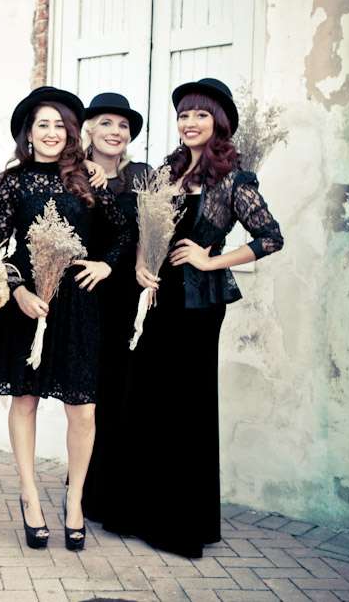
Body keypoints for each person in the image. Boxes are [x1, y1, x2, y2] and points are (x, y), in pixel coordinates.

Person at [127, 77, 284, 558]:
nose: (190, 122)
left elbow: (271, 237)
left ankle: (183, 526)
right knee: (151, 400)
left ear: (219, 123)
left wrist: (210, 260)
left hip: (197, 306)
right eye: (184, 115)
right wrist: (142, 266)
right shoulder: (165, 172)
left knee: (187, 406)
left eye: (200, 114)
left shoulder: (234, 179)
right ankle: (146, 512)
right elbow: (145, 228)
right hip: (159, 299)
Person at [0, 87, 129, 552]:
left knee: (83, 409)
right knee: (25, 400)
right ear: (29, 133)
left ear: (71, 133)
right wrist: (17, 291)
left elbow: (123, 233)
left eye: (59, 125)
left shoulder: (88, 178)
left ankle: (74, 501)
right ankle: (29, 496)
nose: (51, 133)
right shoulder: (12, 182)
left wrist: (106, 264)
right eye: (42, 125)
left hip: (78, 307)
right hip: (28, 305)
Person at [79, 92, 151, 529]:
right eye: (106, 123)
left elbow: (149, 232)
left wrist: (144, 266)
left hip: (126, 293)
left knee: (120, 390)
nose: (116, 132)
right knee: (87, 396)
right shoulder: (74, 171)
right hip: (86, 290)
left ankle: (114, 493)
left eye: (123, 126)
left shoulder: (142, 175)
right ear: (89, 129)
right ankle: (83, 490)